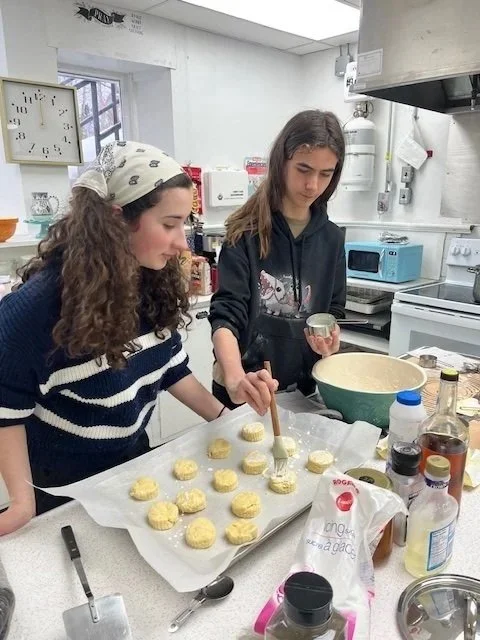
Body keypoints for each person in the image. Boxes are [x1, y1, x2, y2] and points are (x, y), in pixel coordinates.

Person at [0, 141, 228, 535]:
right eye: (169, 224)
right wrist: (22, 502)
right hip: (64, 491)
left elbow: (169, 364)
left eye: (184, 225)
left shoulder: (148, 280)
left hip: (132, 467)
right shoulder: (34, 310)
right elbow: (5, 411)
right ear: (117, 220)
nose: (181, 244)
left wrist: (225, 419)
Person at [209, 110, 346, 415]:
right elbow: (225, 317)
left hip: (304, 390)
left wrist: (328, 341)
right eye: (303, 169)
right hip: (245, 390)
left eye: (326, 174)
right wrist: (234, 377)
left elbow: (333, 311)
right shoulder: (244, 232)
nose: (313, 185)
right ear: (281, 162)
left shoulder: (333, 239)